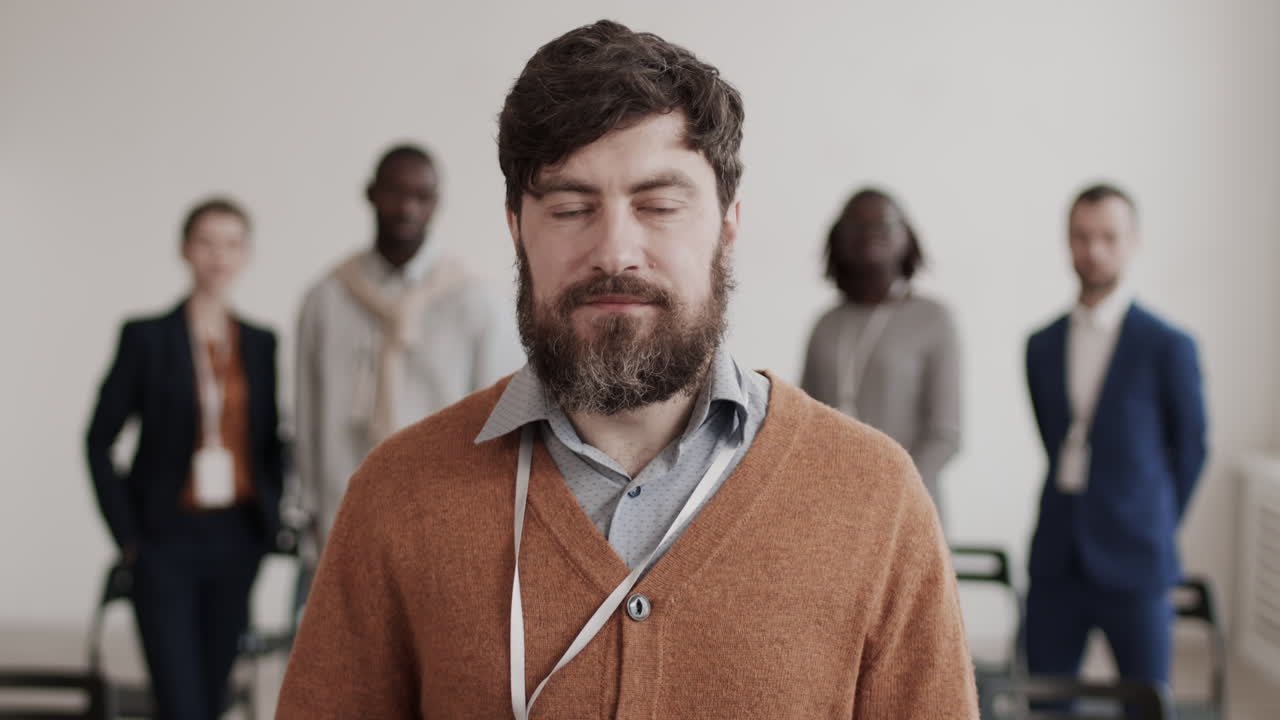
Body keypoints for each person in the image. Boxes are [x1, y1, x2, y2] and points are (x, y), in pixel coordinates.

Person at [278, 20, 976, 719]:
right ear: (518, 230)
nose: (615, 250)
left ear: (728, 225)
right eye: (571, 207)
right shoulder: (396, 495)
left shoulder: (874, 499)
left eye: (659, 206)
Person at [85, 197, 283, 720]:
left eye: (232, 243)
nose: (219, 255)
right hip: (164, 541)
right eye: (207, 242)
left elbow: (269, 443)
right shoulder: (146, 338)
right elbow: (98, 440)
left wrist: (268, 523)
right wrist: (130, 538)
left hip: (235, 541)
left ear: (246, 255)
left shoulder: (261, 344)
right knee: (181, 705)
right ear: (185, 251)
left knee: (213, 700)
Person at [1024, 184, 1207, 691]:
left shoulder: (1167, 345)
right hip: (1058, 554)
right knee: (1043, 698)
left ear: (1133, 242)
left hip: (1138, 556)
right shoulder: (1042, 344)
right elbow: (1052, 435)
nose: (1094, 249)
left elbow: (1191, 449)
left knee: (1145, 700)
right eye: (1082, 236)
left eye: (1108, 236)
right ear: (1067, 241)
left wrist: (1153, 517)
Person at [294, 143, 519, 546]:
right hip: (343, 506)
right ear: (371, 193)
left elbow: (496, 419)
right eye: (395, 192)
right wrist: (309, 504)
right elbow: (307, 412)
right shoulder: (327, 299)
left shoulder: (474, 301)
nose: (407, 208)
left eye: (422, 196)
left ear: (437, 204)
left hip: (443, 510)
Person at [802, 188, 961, 525]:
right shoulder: (826, 324)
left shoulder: (933, 318)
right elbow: (805, 424)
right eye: (856, 227)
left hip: (909, 509)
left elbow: (945, 433)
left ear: (906, 236)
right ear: (838, 238)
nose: (870, 235)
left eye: (883, 225)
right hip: (834, 511)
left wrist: (889, 487)